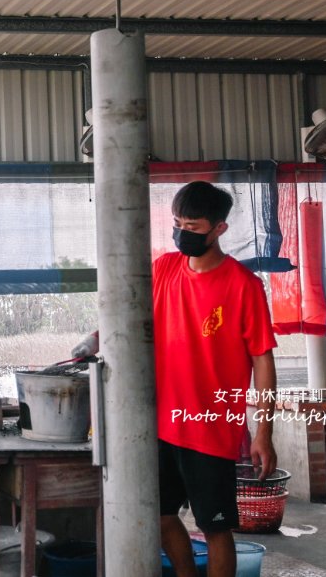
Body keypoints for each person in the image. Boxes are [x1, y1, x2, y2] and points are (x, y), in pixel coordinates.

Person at [72, 180, 277, 577]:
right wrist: (96, 338)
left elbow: (264, 364)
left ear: (220, 229)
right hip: (162, 425)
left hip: (211, 428)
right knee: (162, 517)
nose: (182, 232)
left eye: (194, 227)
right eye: (177, 223)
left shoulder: (244, 286)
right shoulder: (164, 268)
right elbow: (128, 315)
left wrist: (263, 432)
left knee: (215, 527)